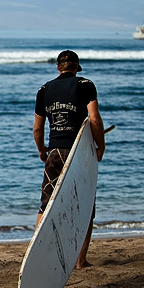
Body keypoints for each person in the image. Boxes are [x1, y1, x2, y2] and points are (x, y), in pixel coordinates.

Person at [33, 50, 105, 268]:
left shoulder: (44, 90)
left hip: (55, 152)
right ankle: (80, 261)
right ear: (76, 67)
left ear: (58, 67)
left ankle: (37, 256)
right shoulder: (85, 85)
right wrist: (100, 145)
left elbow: (37, 128)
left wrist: (41, 149)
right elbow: (94, 119)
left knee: (46, 204)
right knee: (84, 206)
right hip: (79, 153)